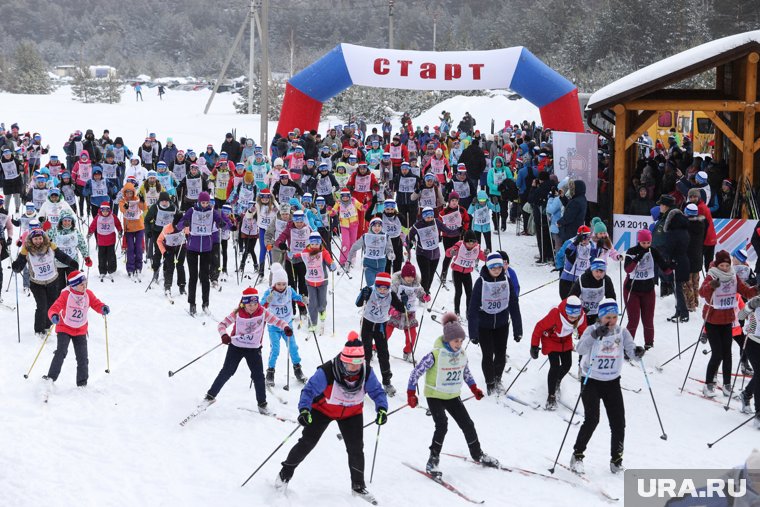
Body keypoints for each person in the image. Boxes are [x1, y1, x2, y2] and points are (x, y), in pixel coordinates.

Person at [276, 334, 388, 503]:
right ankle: (284, 475)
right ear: (343, 360)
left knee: (356, 448)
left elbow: (377, 391)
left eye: (358, 363)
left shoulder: (366, 372)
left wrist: (382, 408)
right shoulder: (327, 371)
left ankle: (358, 486)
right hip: (323, 410)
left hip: (352, 413)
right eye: (350, 363)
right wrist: (304, 410)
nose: (354, 367)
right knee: (307, 442)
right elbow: (308, 391)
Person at [407, 312, 497, 477]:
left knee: (468, 424)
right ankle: (433, 460)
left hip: (452, 395)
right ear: (448, 339)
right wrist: (411, 393)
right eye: (456, 341)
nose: (459, 344)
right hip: (434, 395)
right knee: (442, 424)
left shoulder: (461, 354)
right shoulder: (435, 354)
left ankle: (478, 454)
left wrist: (474, 388)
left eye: (461, 341)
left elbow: (466, 372)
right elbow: (416, 373)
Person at [570, 298, 644, 475]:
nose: (611, 321)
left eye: (614, 317)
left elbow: (631, 350)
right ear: (600, 317)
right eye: (607, 317)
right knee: (592, 419)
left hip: (612, 382)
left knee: (618, 422)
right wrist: (595, 336)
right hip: (591, 380)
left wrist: (638, 352)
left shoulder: (622, 332)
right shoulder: (591, 330)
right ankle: (577, 456)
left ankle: (616, 460)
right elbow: (579, 349)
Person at [207, 287, 292, 413]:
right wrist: (224, 335)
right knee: (226, 371)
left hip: (253, 349)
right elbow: (222, 325)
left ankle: (262, 404)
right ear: (243, 303)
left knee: (258, 376)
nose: (252, 307)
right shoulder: (237, 313)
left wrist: (285, 327)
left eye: (254, 304)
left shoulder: (263, 312)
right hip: (236, 347)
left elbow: (277, 321)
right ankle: (210, 396)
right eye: (249, 304)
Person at [699, 250, 757, 397]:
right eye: (722, 265)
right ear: (717, 265)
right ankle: (708, 385)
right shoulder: (712, 275)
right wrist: (711, 285)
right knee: (717, 354)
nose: (725, 268)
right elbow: (702, 292)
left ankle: (726, 385)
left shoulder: (733, 275)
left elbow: (745, 291)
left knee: (727, 354)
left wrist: (756, 290)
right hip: (712, 320)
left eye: (726, 265)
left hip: (727, 320)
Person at [467, 252, 523, 395]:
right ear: (487, 267)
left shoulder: (506, 281)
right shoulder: (481, 282)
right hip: (484, 325)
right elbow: (472, 308)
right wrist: (473, 332)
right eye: (493, 268)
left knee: (500, 354)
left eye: (499, 267)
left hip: (502, 324)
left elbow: (514, 304)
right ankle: (490, 383)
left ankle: (497, 378)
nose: (496, 270)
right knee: (487, 354)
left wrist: (518, 329)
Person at [43, 271, 109, 388]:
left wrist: (102, 307)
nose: (85, 286)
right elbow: (54, 308)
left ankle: (82, 383)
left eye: (85, 283)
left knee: (82, 357)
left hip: (80, 329)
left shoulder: (87, 294)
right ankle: (50, 378)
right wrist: (54, 315)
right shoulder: (66, 295)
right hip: (64, 327)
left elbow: (96, 304)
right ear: (74, 285)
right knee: (61, 352)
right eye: (82, 284)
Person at [12, 226, 78, 338]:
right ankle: (39, 329)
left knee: (52, 304)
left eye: (40, 238)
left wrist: (71, 262)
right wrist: (17, 267)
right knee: (42, 305)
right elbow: (20, 262)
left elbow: (61, 255)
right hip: (37, 283)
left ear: (43, 238)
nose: (38, 241)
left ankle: (48, 325)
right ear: (31, 240)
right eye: (35, 239)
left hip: (53, 280)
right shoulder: (26, 249)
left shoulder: (50, 246)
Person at [176, 191, 231, 315]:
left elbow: (225, 224)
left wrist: (223, 224)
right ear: (199, 202)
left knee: (205, 278)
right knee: (193, 277)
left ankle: (205, 304)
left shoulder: (212, 212)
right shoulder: (191, 211)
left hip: (206, 249)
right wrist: (184, 224)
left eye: (207, 202)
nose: (205, 204)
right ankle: (192, 304)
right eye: (203, 202)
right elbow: (178, 225)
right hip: (192, 249)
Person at [531, 296, 588, 409]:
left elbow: (584, 332)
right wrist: (534, 346)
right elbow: (539, 327)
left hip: (565, 340)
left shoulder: (581, 317)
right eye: (570, 315)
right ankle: (551, 396)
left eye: (574, 316)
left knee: (567, 365)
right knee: (555, 366)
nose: (572, 318)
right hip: (551, 339)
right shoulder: (555, 314)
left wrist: (586, 344)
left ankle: (557, 381)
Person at [356, 272, 407, 395]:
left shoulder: (391, 295)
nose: (383, 290)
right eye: (380, 287)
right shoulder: (370, 291)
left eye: (385, 288)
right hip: (367, 324)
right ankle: (363, 379)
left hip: (381, 327)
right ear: (376, 285)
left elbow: (401, 309)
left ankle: (387, 382)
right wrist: (363, 294)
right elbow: (358, 303)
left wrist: (404, 301)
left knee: (383, 354)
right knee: (366, 353)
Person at [623, 229, 672, 349]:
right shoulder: (631, 251)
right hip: (632, 289)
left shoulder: (653, 251)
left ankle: (649, 344)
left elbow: (665, 268)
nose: (646, 245)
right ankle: (627, 346)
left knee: (648, 319)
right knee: (634, 319)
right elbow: (628, 269)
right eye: (643, 243)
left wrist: (672, 266)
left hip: (648, 290)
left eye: (648, 243)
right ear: (639, 241)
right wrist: (636, 259)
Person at [261, 263, 307, 386]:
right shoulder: (269, 292)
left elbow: (298, 299)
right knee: (275, 349)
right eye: (278, 284)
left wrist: (303, 300)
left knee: (293, 348)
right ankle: (270, 372)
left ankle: (298, 369)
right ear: (274, 283)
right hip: (274, 327)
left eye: (283, 284)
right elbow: (261, 307)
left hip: (287, 325)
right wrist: (267, 301)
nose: (281, 286)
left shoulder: (289, 290)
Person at [296, 232, 337, 334]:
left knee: (322, 302)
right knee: (312, 302)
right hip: (310, 281)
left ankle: (322, 310)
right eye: (312, 244)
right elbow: (298, 256)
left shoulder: (323, 252)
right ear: (310, 243)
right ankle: (313, 323)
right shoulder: (306, 251)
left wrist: (332, 264)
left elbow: (329, 260)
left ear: (320, 243)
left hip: (322, 281)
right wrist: (291, 256)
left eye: (316, 243)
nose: (314, 246)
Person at [387, 262, 428, 362]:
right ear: (403, 276)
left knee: (412, 334)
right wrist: (391, 309)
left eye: (412, 276)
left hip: (409, 313)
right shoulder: (397, 283)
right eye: (407, 276)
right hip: (396, 312)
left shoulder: (416, 284)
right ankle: (376, 348)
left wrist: (424, 297)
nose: (410, 278)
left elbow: (420, 293)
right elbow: (390, 295)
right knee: (386, 332)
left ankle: (408, 352)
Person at [445, 229, 486, 316]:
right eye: (468, 243)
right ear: (464, 241)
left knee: (470, 293)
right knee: (459, 292)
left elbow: (483, 257)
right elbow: (448, 253)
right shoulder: (460, 245)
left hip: (467, 273)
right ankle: (457, 312)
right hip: (457, 272)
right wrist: (451, 252)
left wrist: (487, 255)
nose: (471, 245)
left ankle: (469, 311)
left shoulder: (476, 248)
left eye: (473, 243)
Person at [48, 209, 89, 293]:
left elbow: (82, 244)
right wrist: (44, 228)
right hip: (58, 262)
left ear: (72, 221)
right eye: (65, 220)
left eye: (69, 221)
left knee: (73, 284)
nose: (67, 223)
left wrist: (86, 257)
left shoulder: (75, 232)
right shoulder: (55, 230)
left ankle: (72, 301)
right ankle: (61, 301)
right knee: (60, 285)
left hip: (72, 261)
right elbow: (46, 239)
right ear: (61, 221)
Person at [347, 217, 394, 287]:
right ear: (370, 226)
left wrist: (390, 254)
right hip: (369, 265)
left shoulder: (385, 237)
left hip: (381, 265)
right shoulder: (365, 237)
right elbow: (354, 247)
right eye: (374, 226)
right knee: (371, 285)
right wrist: (349, 260)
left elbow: (389, 249)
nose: (377, 228)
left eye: (379, 226)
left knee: (380, 286)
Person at [569, 258, 617, 325]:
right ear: (592, 270)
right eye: (596, 271)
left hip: (598, 313)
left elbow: (611, 298)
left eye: (601, 272)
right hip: (582, 314)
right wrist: (579, 310)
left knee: (597, 333)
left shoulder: (606, 280)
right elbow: (572, 297)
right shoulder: (582, 279)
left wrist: (608, 312)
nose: (599, 274)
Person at [560, 225, 597, 299]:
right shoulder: (572, 243)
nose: (586, 241)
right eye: (584, 238)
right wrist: (576, 243)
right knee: (566, 302)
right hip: (568, 278)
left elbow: (595, 256)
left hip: (582, 279)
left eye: (588, 238)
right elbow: (567, 252)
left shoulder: (590, 246)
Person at [88, 202, 122, 282]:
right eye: (103, 210)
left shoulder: (113, 216)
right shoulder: (98, 217)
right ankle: (102, 271)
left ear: (109, 210)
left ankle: (112, 269)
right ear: (101, 210)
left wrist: (120, 231)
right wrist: (90, 232)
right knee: (101, 256)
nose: (105, 212)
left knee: (111, 255)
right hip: (101, 241)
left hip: (111, 240)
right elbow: (93, 225)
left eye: (107, 210)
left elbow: (118, 224)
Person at [156, 211, 187, 297]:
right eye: (176, 225)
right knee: (170, 266)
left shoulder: (185, 227)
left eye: (179, 225)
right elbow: (159, 240)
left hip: (181, 246)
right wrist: (164, 252)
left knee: (180, 266)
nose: (178, 227)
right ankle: (167, 287)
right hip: (169, 248)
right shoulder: (167, 228)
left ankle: (182, 286)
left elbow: (190, 235)